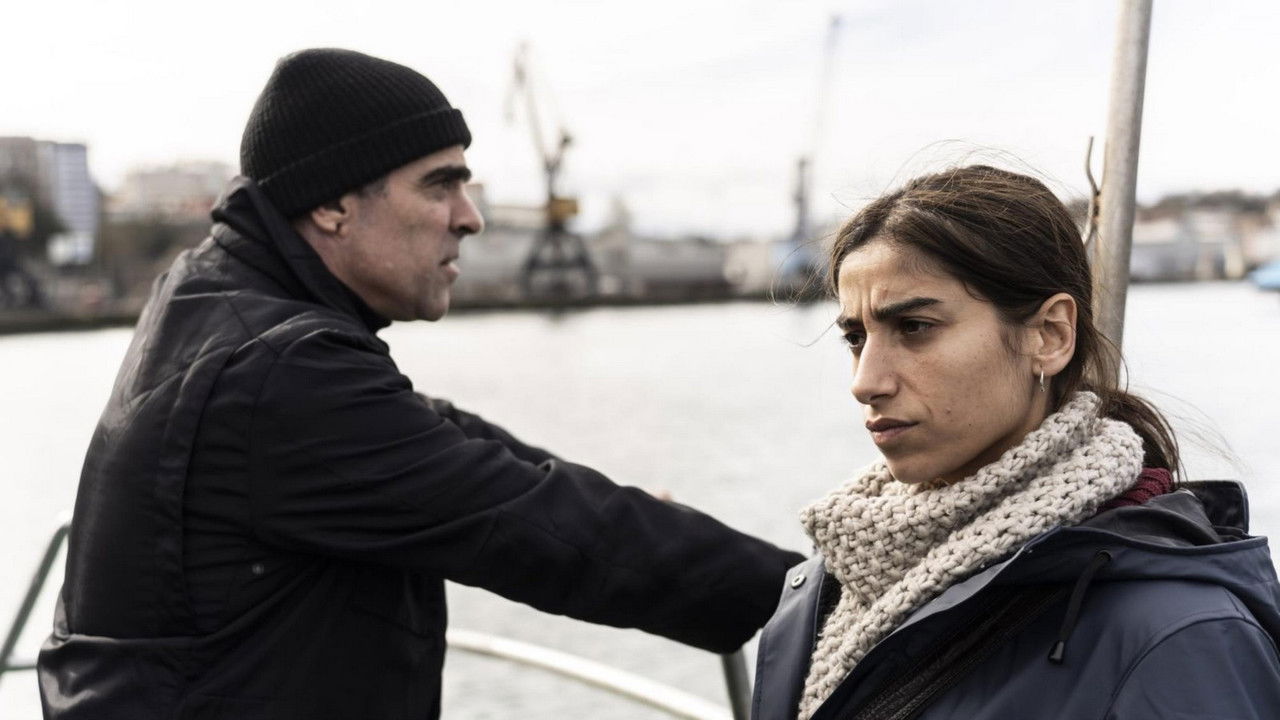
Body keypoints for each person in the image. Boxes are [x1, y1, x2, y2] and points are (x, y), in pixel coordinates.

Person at [37, 48, 803, 720]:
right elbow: (545, 530)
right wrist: (814, 604)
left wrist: (658, 519)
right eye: (440, 186)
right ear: (331, 203)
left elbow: (452, 445)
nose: (469, 218)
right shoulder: (279, 371)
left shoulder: (219, 304)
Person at [751, 165, 1280, 720]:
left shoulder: (1179, 638)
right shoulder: (839, 578)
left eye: (914, 327)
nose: (865, 382)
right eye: (856, 337)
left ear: (1049, 336)